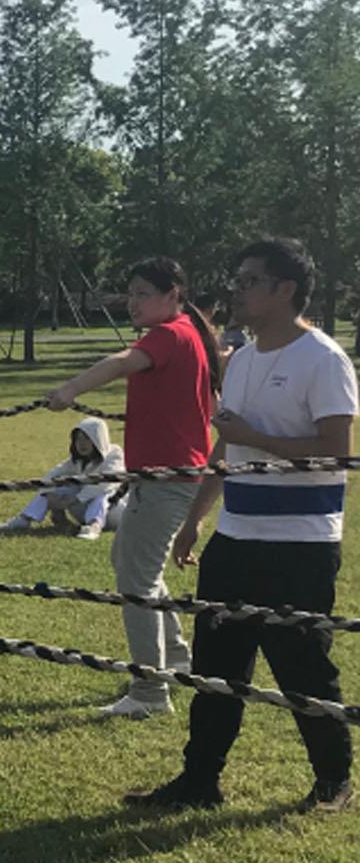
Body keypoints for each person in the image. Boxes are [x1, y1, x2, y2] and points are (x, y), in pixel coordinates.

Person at [127, 238, 355, 814]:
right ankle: (199, 782)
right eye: (238, 279)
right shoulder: (245, 358)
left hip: (299, 546)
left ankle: (334, 783)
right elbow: (227, 444)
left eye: (250, 280)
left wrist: (259, 440)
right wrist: (197, 519)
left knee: (302, 668)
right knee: (215, 669)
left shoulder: (324, 360)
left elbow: (335, 452)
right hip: (235, 538)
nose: (238, 289)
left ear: (285, 290)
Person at [46, 257, 223, 718]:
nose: (133, 302)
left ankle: (149, 693)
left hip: (169, 479)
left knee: (136, 580)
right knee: (130, 563)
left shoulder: (170, 335)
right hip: (165, 477)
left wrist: (70, 388)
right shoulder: (188, 334)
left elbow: (125, 362)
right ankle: (178, 660)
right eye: (130, 293)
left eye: (144, 292)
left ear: (173, 296)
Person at [0, 416, 126, 540]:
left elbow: (106, 483)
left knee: (104, 494)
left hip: (114, 511)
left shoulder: (115, 454)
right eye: (78, 439)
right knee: (59, 487)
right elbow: (54, 474)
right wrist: (48, 493)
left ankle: (94, 527)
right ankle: (25, 518)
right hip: (85, 509)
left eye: (87, 438)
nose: (81, 444)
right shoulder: (77, 460)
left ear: (99, 439)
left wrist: (74, 499)